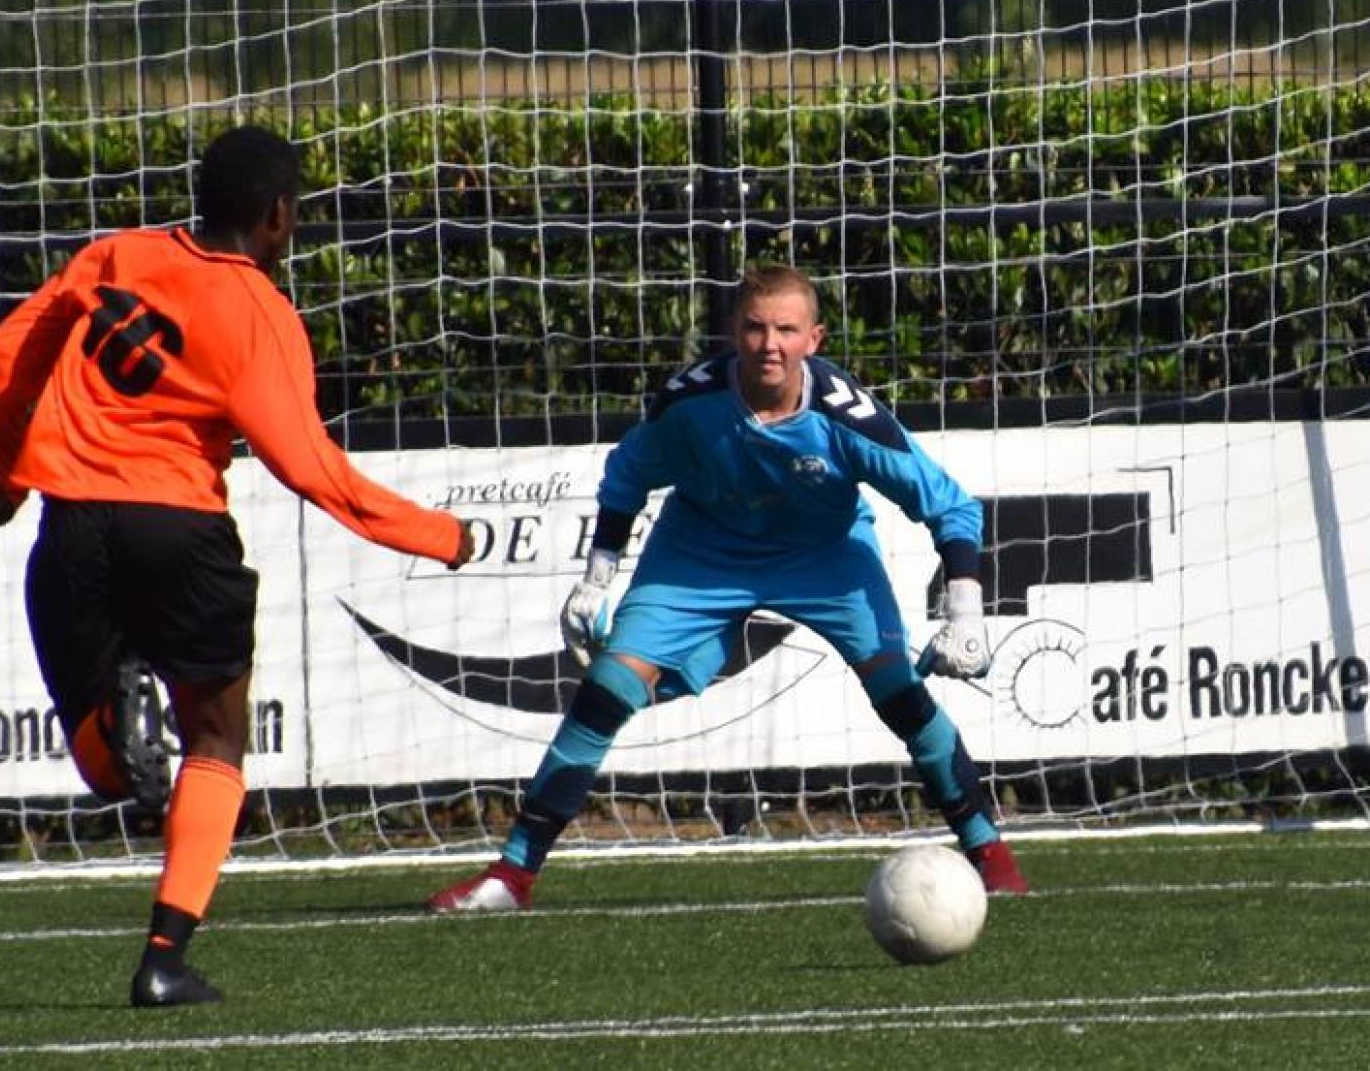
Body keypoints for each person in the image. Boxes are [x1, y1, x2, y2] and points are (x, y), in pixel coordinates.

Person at [0, 123, 473, 1007]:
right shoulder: (260, 314)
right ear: (279, 216)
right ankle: (164, 960)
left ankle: (120, 715)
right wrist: (439, 536)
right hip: (179, 531)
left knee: (109, 769)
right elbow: (312, 471)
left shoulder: (117, 254)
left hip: (71, 523)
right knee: (215, 738)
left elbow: (6, 352)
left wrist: (10, 479)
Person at [427, 262, 1026, 914]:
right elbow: (626, 478)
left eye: (787, 331)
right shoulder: (688, 403)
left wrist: (965, 613)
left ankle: (990, 855)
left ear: (815, 340)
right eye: (756, 328)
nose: (771, 345)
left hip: (824, 555)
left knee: (899, 695)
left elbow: (951, 506)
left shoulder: (847, 416)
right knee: (605, 692)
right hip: (703, 549)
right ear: (734, 333)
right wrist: (595, 582)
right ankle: (510, 878)